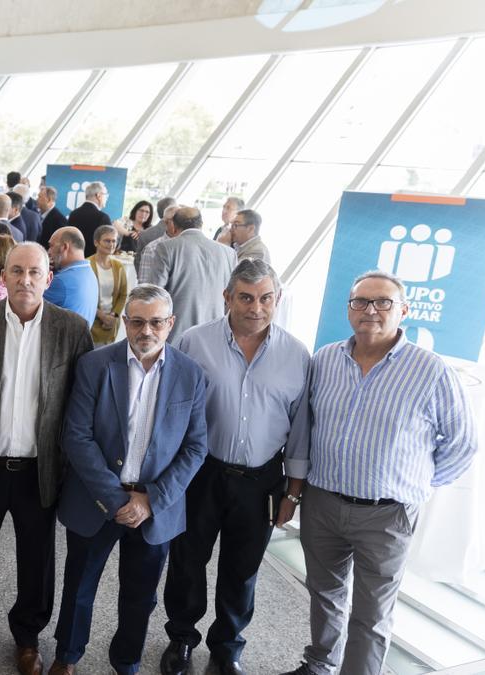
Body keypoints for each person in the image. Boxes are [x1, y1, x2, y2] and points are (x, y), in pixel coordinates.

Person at [279, 271, 476, 675]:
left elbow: (462, 443)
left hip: (387, 515)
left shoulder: (430, 370)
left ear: (403, 310)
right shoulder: (325, 359)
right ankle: (320, 663)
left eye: (383, 302)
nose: (371, 310)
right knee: (325, 594)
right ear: (348, 309)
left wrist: (414, 485)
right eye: (361, 302)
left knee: (372, 612)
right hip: (324, 504)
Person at [0, 243, 92, 675]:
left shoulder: (73, 329)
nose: (25, 280)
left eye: (34, 272)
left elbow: (78, 405)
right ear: (2, 275)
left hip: (38, 469)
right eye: (16, 271)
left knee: (37, 557)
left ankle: (28, 638)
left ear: (49, 279)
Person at [49, 284, 208, 675]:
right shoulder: (95, 365)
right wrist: (117, 499)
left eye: (156, 322)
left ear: (170, 324)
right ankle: (67, 657)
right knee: (79, 588)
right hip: (96, 499)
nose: (146, 331)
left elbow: (195, 447)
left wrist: (150, 500)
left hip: (156, 507)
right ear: (125, 322)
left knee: (140, 596)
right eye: (137, 321)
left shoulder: (191, 375)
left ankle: (126, 661)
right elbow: (77, 436)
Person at [161, 259, 310, 675]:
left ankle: (227, 647)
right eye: (245, 297)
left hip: (261, 480)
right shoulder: (194, 342)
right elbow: (172, 410)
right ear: (227, 297)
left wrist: (292, 494)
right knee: (187, 561)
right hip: (201, 473)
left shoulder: (297, 355)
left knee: (242, 570)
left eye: (265, 298)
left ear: (277, 299)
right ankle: (181, 639)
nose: (255, 307)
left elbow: (300, 429)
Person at [151, 207, 237, 342]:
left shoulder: (167, 248)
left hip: (176, 334)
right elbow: (232, 296)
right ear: (201, 224)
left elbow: (154, 293)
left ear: (173, 226)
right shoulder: (229, 253)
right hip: (215, 334)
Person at [44, 227, 99, 328]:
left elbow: (24, 307)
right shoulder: (90, 273)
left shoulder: (61, 281)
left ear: (64, 247)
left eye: (51, 246)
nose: (48, 252)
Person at [87, 225, 128, 345]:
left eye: (114, 241)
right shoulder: (87, 265)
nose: (111, 244)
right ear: (96, 242)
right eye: (107, 240)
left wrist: (114, 315)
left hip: (111, 324)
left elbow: (123, 294)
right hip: (91, 323)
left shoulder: (118, 266)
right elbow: (84, 297)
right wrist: (101, 316)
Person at [67, 182, 112, 257]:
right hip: (93, 263)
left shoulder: (73, 214)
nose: (107, 198)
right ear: (99, 195)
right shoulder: (102, 217)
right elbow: (109, 245)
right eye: (106, 194)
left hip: (74, 260)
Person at [136, 197, 175, 277]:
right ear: (171, 212)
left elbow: (138, 262)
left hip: (147, 281)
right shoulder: (177, 234)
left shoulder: (144, 234)